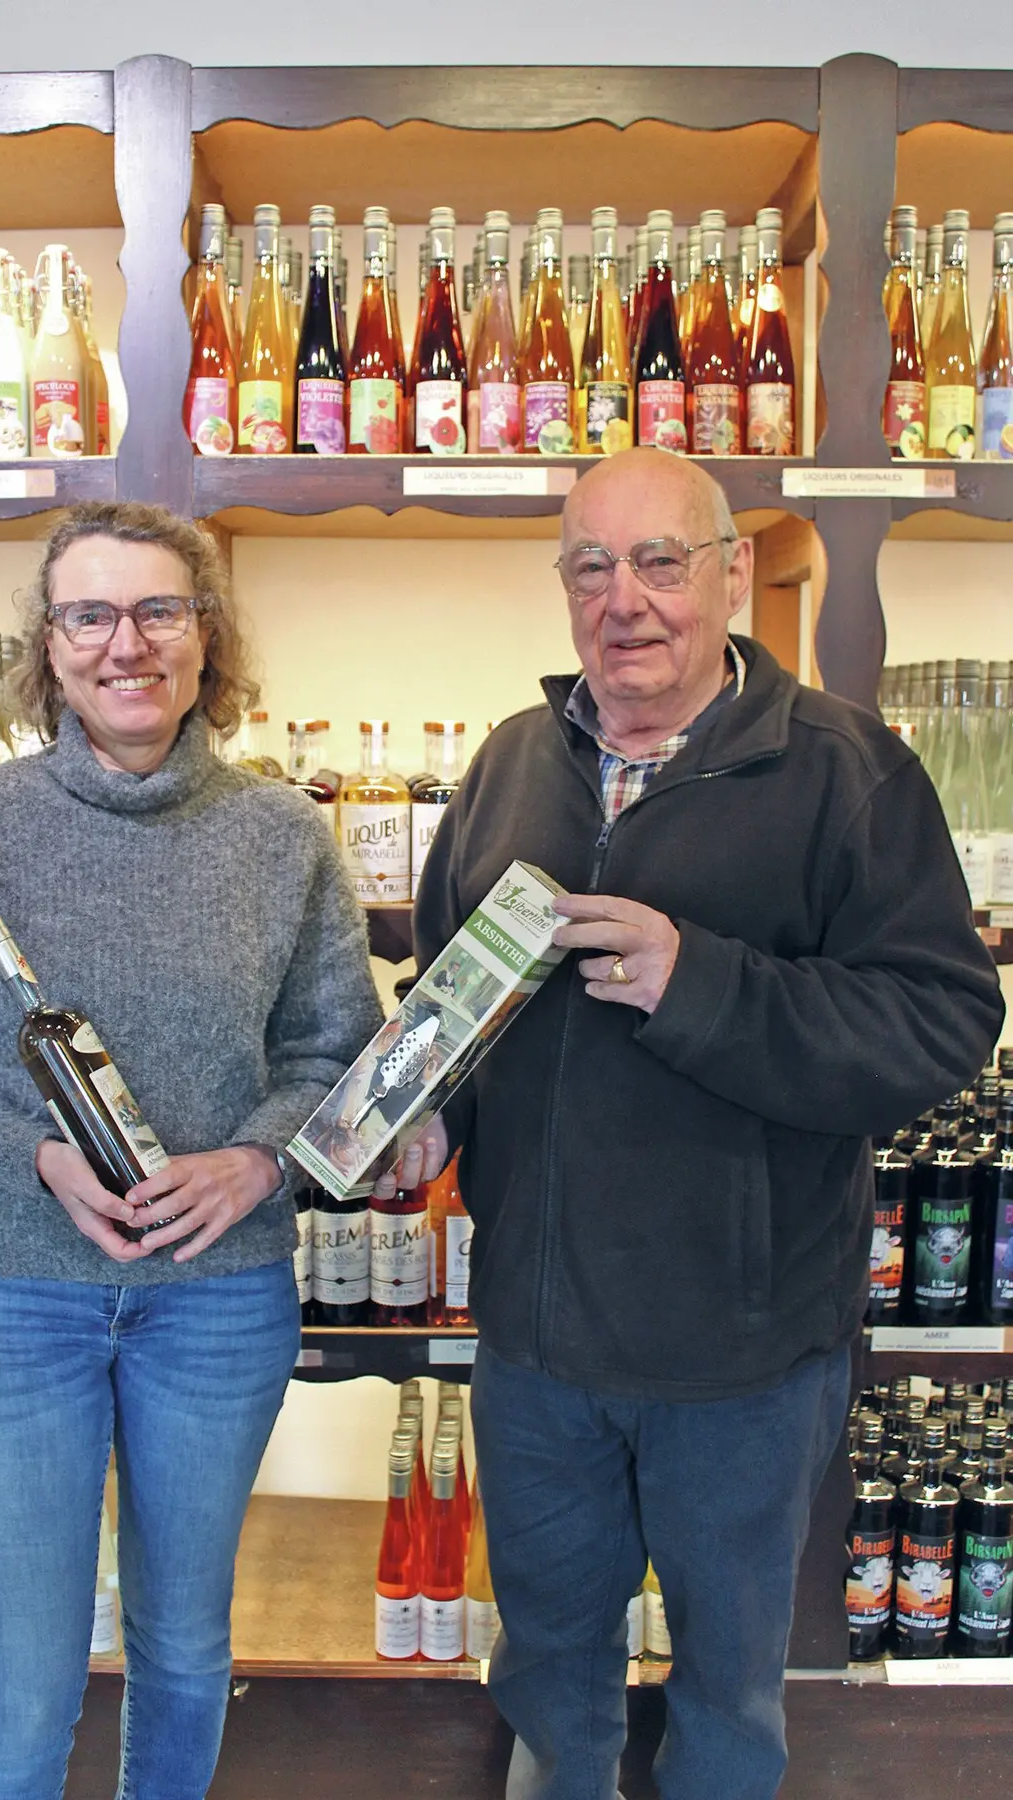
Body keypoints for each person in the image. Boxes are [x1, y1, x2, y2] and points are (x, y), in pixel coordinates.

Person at [407, 449, 1003, 1800]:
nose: (626, 600)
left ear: (732, 573)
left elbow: (939, 1025)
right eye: (591, 567)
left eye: (662, 562)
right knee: (550, 1669)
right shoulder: (513, 762)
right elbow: (444, 995)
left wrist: (703, 983)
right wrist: (422, 1118)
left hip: (745, 1356)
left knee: (730, 1692)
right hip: (541, 1342)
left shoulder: (846, 772)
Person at [0, 501, 382, 1800]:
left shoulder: (279, 838)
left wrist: (259, 1159)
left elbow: (341, 1066)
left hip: (217, 1304)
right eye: (90, 613)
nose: (124, 642)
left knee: (186, 1649)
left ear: (207, 636)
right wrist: (37, 1158)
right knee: (23, 1682)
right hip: (18, 1303)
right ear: (49, 644)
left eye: (158, 610)